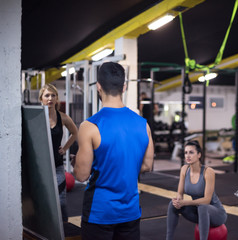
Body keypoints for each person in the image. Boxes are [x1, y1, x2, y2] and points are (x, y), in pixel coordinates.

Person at [74, 62, 154, 240]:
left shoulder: (89, 126)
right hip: (130, 212)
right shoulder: (143, 124)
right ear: (124, 87)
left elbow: (81, 175)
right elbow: (147, 165)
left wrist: (76, 162)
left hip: (99, 213)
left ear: (98, 87)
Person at [166, 140, 227, 240]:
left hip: (216, 215)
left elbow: (207, 200)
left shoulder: (208, 172)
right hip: (199, 213)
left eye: (191, 152)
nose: (188, 156)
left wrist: (185, 203)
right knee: (172, 204)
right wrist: (178, 201)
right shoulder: (184, 169)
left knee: (203, 207)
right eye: (186, 152)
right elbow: (180, 193)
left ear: (199, 155)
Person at [39, 83, 78, 222]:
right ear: (41, 99)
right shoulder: (36, 117)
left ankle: (63, 227)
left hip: (57, 164)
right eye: (47, 95)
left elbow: (75, 133)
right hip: (40, 166)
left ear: (56, 99)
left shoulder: (63, 117)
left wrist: (65, 148)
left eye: (53, 95)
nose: (50, 98)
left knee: (61, 199)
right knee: (43, 199)